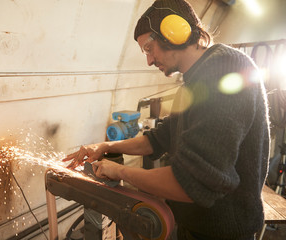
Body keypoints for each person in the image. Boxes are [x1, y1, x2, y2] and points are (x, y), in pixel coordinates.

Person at [63, 0, 270, 239]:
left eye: (149, 48)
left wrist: (119, 171)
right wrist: (105, 146)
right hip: (194, 226)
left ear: (175, 32)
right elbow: (158, 139)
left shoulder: (224, 70)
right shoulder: (194, 82)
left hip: (221, 232)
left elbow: (191, 183)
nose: (149, 61)